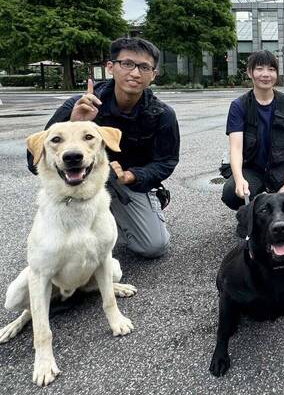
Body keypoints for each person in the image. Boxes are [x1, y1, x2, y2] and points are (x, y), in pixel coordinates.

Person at [28, 37, 179, 258]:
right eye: (127, 64)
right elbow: (34, 161)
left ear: (153, 75)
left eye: (144, 67)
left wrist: (131, 175)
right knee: (64, 248)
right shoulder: (79, 105)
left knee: (153, 246)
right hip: (77, 182)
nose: (135, 73)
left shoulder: (162, 114)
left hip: (123, 186)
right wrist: (74, 123)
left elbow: (166, 162)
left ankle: (119, 220)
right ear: (110, 67)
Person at [221, 50, 284, 210]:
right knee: (231, 193)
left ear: (277, 74)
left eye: (271, 69)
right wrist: (239, 179)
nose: (266, 74)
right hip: (252, 168)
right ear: (249, 72)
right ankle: (250, 210)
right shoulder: (239, 106)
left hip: (280, 169)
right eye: (259, 69)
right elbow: (236, 148)